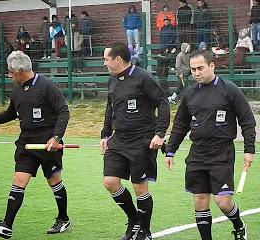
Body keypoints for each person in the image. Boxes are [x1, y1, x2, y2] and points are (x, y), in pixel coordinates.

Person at [165, 50, 256, 240]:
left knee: (223, 202)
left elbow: (247, 120)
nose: (196, 73)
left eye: (200, 68)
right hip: (197, 153)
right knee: (200, 200)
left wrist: (249, 150)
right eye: (193, 69)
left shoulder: (229, 89)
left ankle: (239, 226)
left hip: (221, 153)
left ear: (212, 66)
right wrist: (171, 150)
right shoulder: (189, 94)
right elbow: (181, 125)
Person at [0, 51, 71, 239]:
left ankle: (63, 219)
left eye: (11, 72)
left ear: (21, 70)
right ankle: (7, 225)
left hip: (47, 145)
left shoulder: (46, 86)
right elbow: (11, 113)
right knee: (18, 180)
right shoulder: (17, 89)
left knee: (54, 181)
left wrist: (56, 137)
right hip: (26, 144)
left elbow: (63, 111)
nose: (9, 75)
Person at [101, 42, 170, 240]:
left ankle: (145, 232)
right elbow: (109, 107)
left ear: (118, 59)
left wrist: (160, 133)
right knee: (110, 182)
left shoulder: (144, 78)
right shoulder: (112, 80)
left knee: (140, 188)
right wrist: (105, 134)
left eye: (106, 58)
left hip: (142, 140)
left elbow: (163, 104)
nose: (104, 62)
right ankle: (134, 220)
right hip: (118, 140)